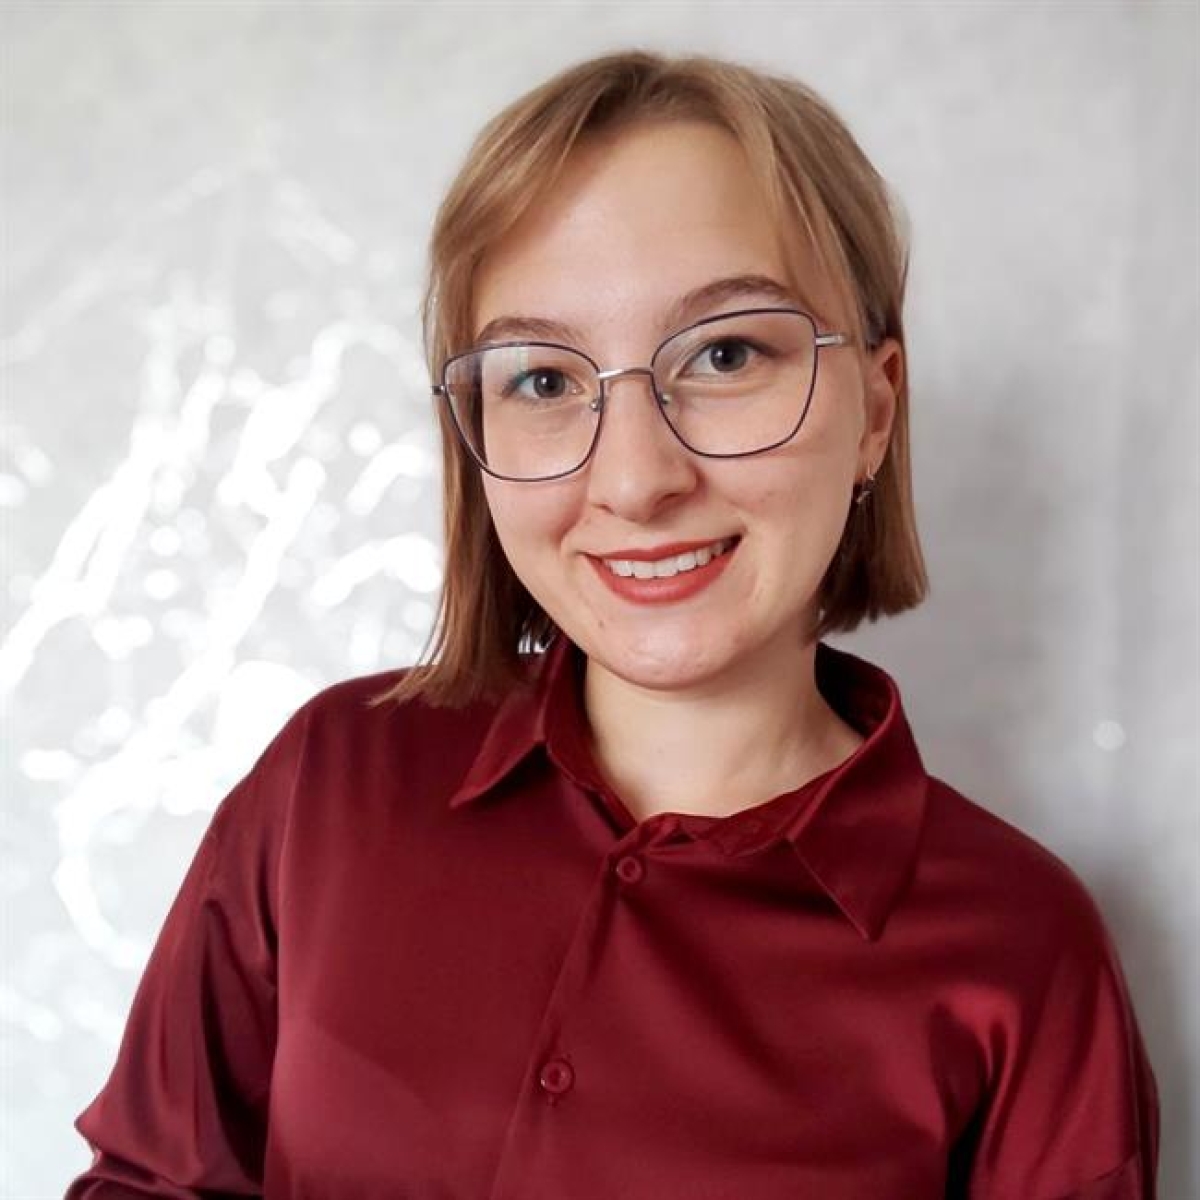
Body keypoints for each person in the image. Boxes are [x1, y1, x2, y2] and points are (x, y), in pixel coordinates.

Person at [66, 51, 1159, 1198]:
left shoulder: (1026, 954)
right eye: (544, 380)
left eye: (726, 354)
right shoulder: (329, 785)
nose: (636, 481)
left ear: (876, 409)